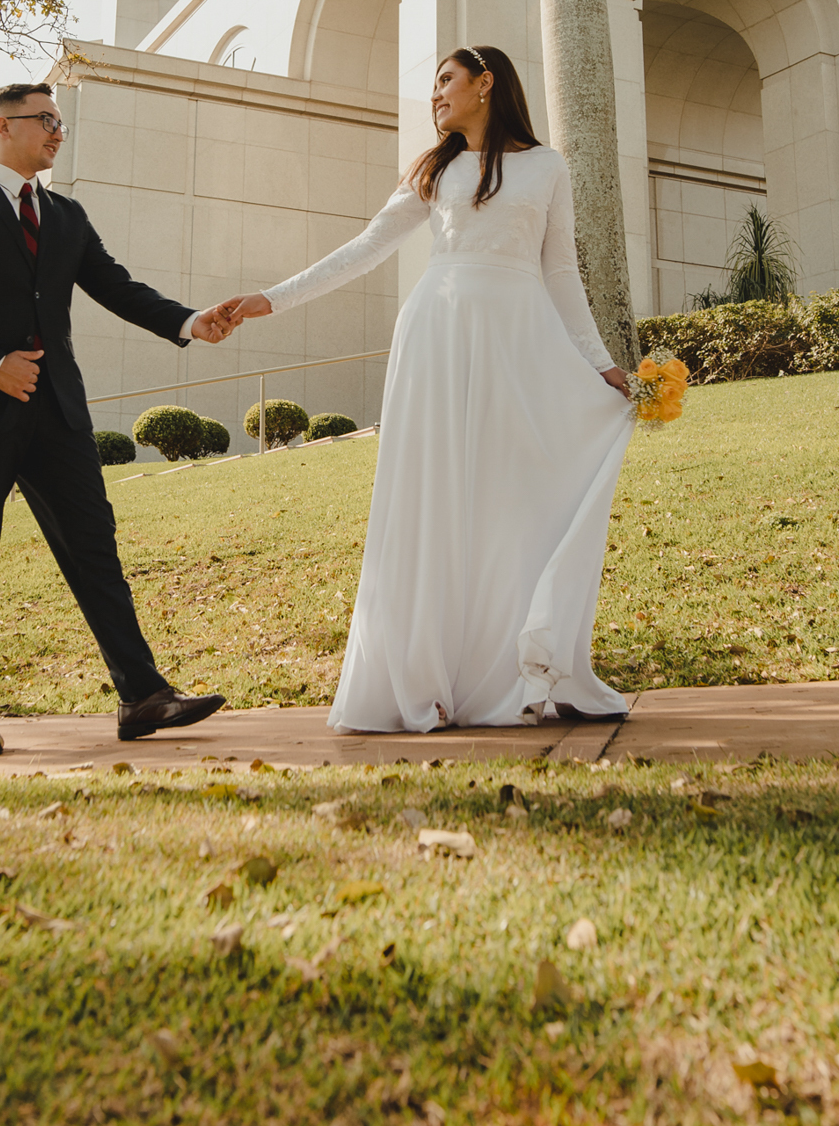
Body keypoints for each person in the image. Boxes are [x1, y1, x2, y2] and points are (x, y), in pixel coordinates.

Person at [221, 46, 634, 733]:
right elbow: (366, 246)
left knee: (510, 499)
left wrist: (599, 365)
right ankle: (425, 683)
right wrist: (272, 299)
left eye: (446, 80)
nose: (437, 94)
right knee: (433, 500)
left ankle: (518, 672)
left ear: (486, 82)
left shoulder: (546, 166)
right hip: (438, 338)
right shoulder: (433, 169)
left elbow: (561, 273)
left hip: (518, 341)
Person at [0, 81, 235, 754]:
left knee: (94, 552)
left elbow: (116, 285)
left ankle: (143, 695)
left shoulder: (66, 216)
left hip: (56, 415)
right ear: (0, 127)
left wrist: (189, 321)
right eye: (45, 119)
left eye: (61, 122)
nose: (57, 131)